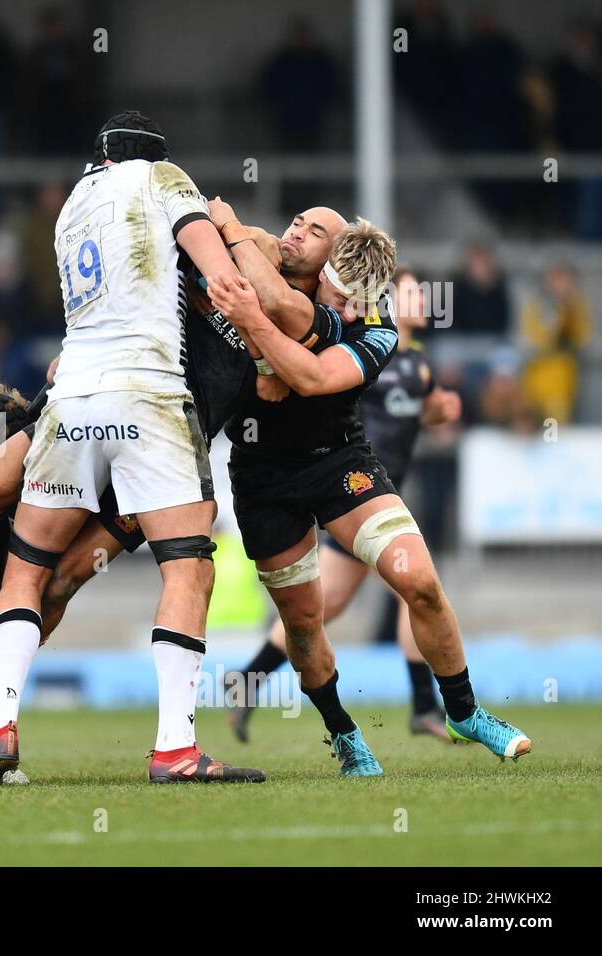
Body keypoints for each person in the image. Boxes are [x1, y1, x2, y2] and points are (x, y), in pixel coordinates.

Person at [0, 111, 265, 786]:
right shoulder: (163, 177)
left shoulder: (71, 205)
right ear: (154, 153)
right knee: (187, 568)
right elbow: (219, 277)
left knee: (28, 570)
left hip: (71, 396)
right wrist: (258, 322)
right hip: (148, 393)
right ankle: (175, 750)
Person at [206, 203, 531, 775]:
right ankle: (344, 733)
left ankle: (463, 710)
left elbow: (306, 370)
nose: (296, 234)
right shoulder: (260, 248)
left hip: (339, 463)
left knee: (421, 583)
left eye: (315, 232)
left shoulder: (372, 325)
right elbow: (241, 257)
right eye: (298, 224)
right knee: (304, 625)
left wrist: (257, 336)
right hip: (261, 476)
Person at [225, 266, 463, 743]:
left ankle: (247, 683)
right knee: (323, 610)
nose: (420, 303)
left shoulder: (417, 363)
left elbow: (431, 404)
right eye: (411, 294)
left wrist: (443, 407)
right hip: (349, 494)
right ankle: (250, 683)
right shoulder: (367, 349)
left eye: (421, 295)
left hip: (377, 494)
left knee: (400, 594)